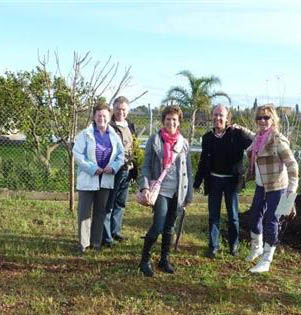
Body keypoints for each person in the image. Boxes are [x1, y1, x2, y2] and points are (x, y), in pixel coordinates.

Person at [138, 105, 193, 277]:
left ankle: (164, 259)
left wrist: (188, 195)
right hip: (160, 190)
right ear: (163, 121)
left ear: (179, 122)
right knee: (158, 225)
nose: (171, 122)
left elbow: (189, 171)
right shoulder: (154, 140)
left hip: (178, 191)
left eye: (174, 119)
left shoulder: (183, 143)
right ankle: (144, 260)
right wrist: (145, 186)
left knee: (170, 227)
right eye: (168, 119)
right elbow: (146, 166)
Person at [193, 104, 254, 258]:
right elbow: (203, 162)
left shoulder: (236, 135)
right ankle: (213, 246)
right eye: (215, 115)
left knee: (233, 216)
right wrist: (197, 182)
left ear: (227, 118)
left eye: (221, 115)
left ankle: (233, 245)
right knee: (213, 216)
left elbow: (256, 141)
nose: (218, 118)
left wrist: (244, 130)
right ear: (211, 117)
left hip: (231, 183)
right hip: (214, 181)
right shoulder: (207, 138)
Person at [246, 104, 298, 273]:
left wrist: (291, 190)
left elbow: (292, 164)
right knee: (254, 216)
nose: (262, 120)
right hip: (262, 186)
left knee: (271, 220)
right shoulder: (258, 138)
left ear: (273, 119)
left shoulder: (277, 139)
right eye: (259, 117)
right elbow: (250, 150)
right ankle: (257, 247)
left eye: (266, 117)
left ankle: (267, 258)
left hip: (277, 187)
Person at [73, 103, 125, 254]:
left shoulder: (114, 135)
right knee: (84, 212)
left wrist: (113, 167)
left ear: (109, 117)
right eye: (98, 115)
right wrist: (92, 168)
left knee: (100, 211)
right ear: (94, 117)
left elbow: (121, 156)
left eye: (104, 115)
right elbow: (78, 154)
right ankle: (83, 244)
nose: (101, 118)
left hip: (106, 179)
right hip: (89, 178)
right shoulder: (85, 134)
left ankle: (96, 243)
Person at [102, 96, 137, 246]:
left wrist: (135, 168)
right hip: (114, 170)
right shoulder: (108, 126)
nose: (120, 112)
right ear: (113, 109)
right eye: (117, 109)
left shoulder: (130, 126)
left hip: (127, 170)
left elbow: (134, 147)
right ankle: (106, 237)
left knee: (120, 203)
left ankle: (116, 232)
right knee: (109, 203)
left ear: (127, 111)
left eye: (123, 109)